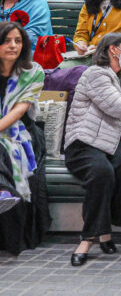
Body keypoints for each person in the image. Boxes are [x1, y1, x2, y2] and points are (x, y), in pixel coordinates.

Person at [63, 32, 121, 266]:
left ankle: (106, 227)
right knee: (102, 172)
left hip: (114, 138)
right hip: (85, 140)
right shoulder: (96, 74)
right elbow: (119, 108)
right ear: (113, 49)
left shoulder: (119, 77)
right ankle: (89, 238)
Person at [0, 21, 45, 248]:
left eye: (18, 41)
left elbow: (18, 111)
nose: (13, 46)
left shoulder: (33, 72)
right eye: (7, 41)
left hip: (22, 133)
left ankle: (3, 191)